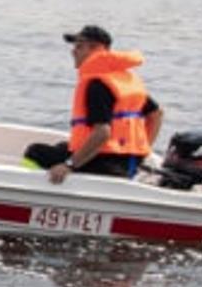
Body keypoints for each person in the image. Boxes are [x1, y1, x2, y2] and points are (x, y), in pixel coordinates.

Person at [22, 25, 163, 184]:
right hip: (129, 161)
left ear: (96, 48)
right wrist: (143, 150)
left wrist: (69, 165)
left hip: (106, 164)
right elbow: (156, 114)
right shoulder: (123, 79)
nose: (73, 51)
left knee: (35, 152)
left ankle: (30, 188)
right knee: (62, 147)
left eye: (79, 46)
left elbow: (102, 132)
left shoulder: (96, 84)